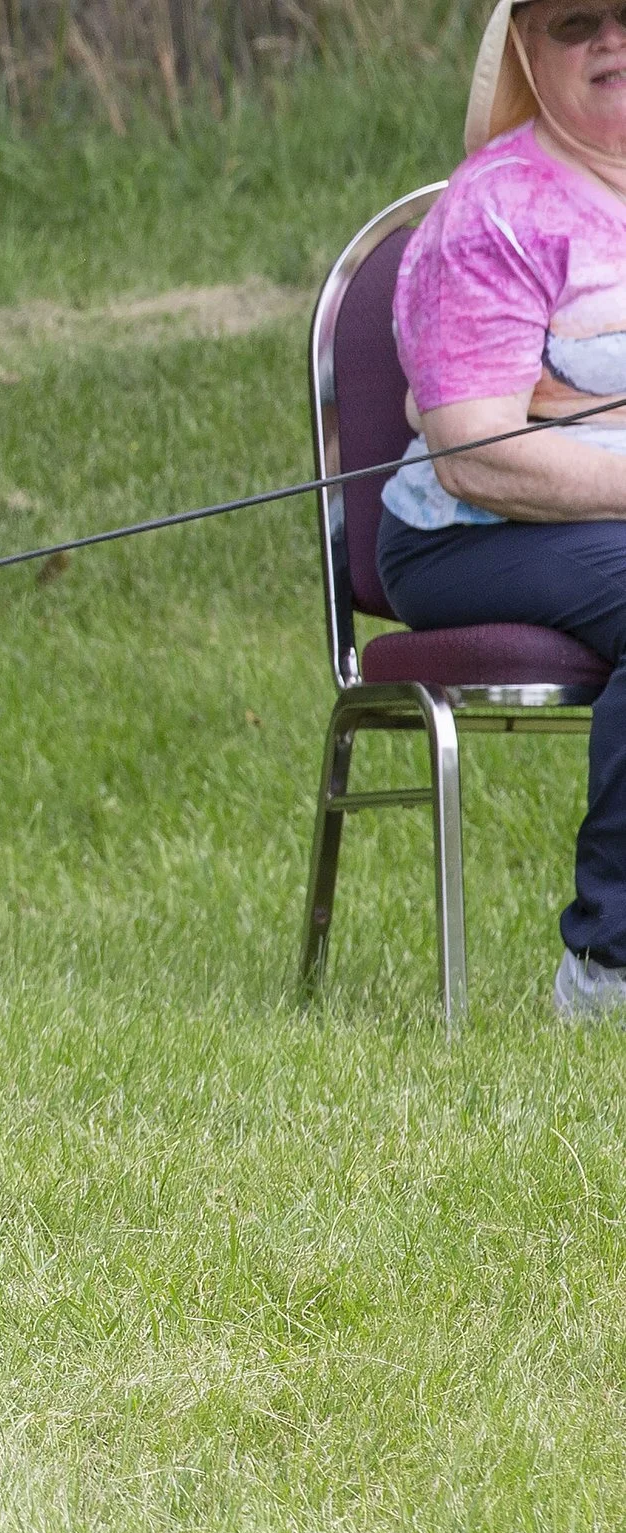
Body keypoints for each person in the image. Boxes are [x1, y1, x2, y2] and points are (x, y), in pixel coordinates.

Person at [380, 0, 626, 1018]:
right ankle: (610, 968)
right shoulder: (494, 212)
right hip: (469, 536)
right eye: (577, 22)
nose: (609, 40)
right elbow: (477, 454)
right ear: (526, 48)